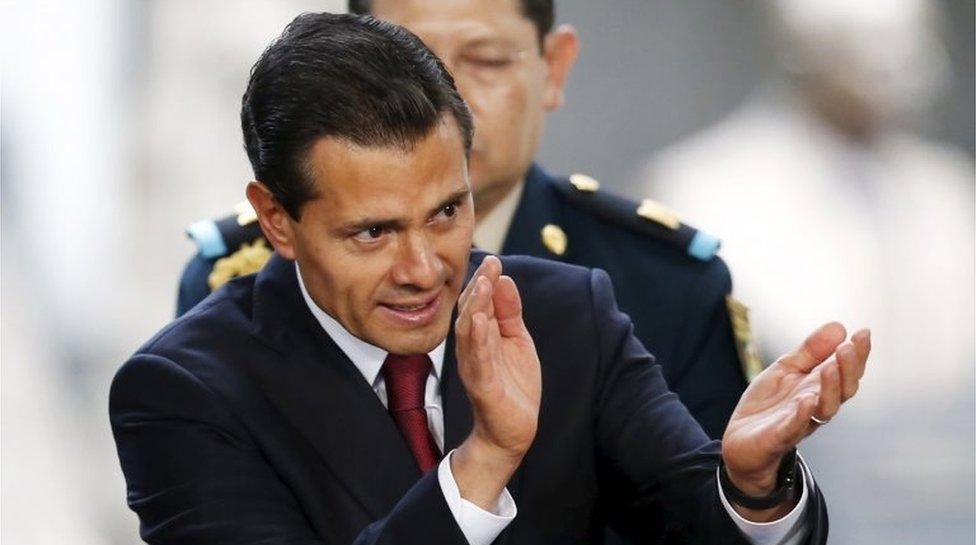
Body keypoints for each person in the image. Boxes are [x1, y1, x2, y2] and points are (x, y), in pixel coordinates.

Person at [111, 13, 872, 545]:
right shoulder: (182, 391)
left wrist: (750, 485)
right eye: (373, 232)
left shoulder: (567, 314)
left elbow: (705, 532)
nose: (424, 268)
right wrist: (483, 462)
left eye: (447, 212)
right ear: (276, 220)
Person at [176, 0, 754, 442]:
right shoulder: (235, 275)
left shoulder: (665, 284)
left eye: (486, 61)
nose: (444, 98)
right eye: (404, 63)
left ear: (554, 67)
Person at [637, 0, 973, 544]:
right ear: (804, 47)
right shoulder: (700, 189)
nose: (906, 63)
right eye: (870, 42)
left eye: (917, 37)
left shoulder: (950, 192)